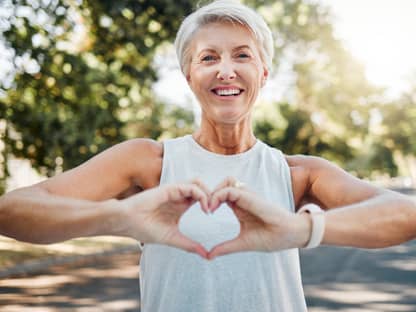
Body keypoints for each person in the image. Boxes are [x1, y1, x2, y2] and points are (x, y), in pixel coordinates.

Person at [1, 0, 416, 311]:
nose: (226, 70)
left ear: (264, 74)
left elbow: (404, 215)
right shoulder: (148, 162)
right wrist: (119, 218)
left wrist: (299, 229)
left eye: (242, 55)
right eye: (208, 58)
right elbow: (14, 210)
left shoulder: (299, 174)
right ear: (189, 76)